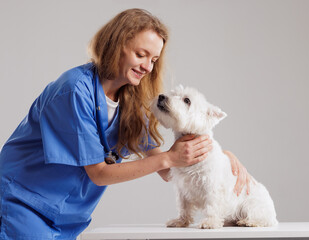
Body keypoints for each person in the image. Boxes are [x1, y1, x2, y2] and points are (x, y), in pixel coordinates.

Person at [0, 8, 252, 239]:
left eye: (153, 59)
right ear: (115, 45)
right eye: (141, 54)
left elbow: (167, 171)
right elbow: (99, 173)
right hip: (22, 205)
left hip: (66, 219)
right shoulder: (74, 91)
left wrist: (218, 157)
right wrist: (169, 158)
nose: (147, 67)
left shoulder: (130, 100)